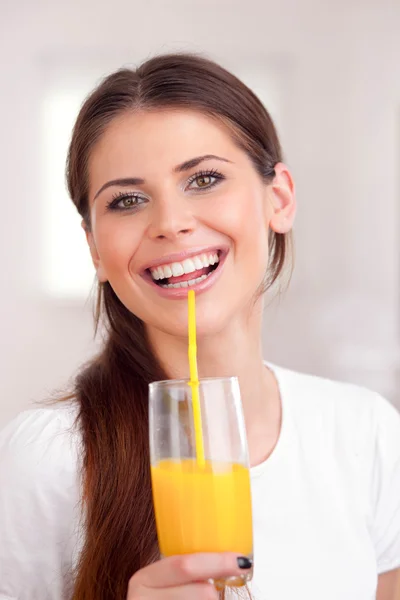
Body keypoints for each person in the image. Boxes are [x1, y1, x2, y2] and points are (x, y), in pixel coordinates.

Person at [0, 53, 399, 600]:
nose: (170, 224)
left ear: (278, 199)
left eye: (204, 179)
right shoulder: (46, 458)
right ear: (94, 247)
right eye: (128, 200)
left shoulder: (364, 434)